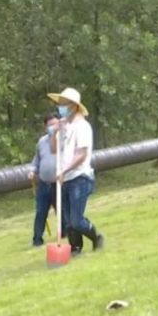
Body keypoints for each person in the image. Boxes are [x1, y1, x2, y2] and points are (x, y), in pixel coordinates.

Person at [47, 87, 103, 256]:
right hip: (65, 179)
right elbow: (54, 150)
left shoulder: (83, 127)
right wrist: (53, 133)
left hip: (80, 177)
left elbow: (81, 154)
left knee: (76, 220)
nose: (60, 108)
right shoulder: (64, 127)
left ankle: (96, 237)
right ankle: (75, 249)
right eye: (60, 104)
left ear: (74, 106)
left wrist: (64, 169)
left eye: (64, 104)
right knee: (68, 221)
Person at [28, 114, 59, 247]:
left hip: (59, 183)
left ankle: (66, 233)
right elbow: (37, 159)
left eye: (55, 124)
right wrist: (32, 170)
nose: (52, 127)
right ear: (45, 126)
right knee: (41, 212)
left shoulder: (64, 139)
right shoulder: (41, 142)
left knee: (62, 210)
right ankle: (37, 239)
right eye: (50, 125)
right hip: (44, 184)